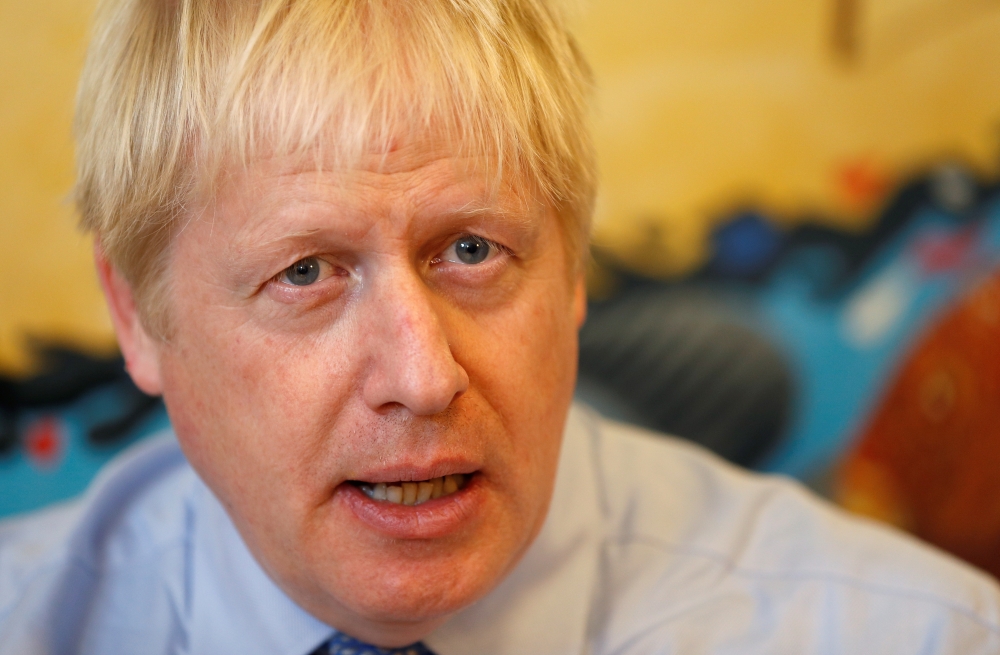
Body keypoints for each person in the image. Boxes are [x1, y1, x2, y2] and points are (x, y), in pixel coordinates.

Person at [1, 0, 999, 653]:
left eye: (471, 252)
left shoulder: (907, 634)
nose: (423, 375)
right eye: (306, 271)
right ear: (137, 314)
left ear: (570, 272)